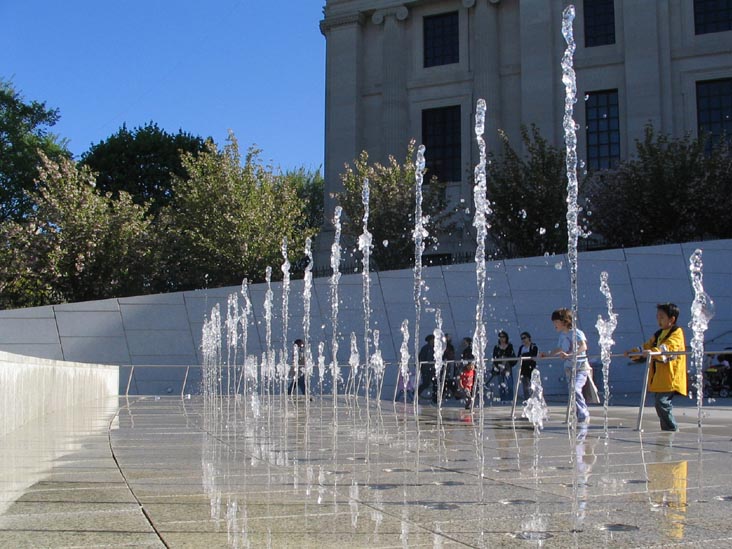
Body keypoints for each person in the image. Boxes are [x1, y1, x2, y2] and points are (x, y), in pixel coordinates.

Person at [625, 303, 687, 432]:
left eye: (662, 317)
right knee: (660, 404)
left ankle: (672, 428)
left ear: (672, 319)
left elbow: (669, 347)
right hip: (660, 377)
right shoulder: (659, 333)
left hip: (671, 376)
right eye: (657, 317)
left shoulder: (677, 332)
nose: (659, 320)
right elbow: (647, 346)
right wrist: (633, 352)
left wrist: (654, 351)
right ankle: (667, 428)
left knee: (662, 403)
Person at [542, 308, 592, 425]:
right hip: (569, 368)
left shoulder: (576, 332)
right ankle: (578, 413)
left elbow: (584, 346)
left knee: (575, 389)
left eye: (556, 321)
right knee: (572, 391)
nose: (554, 324)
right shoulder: (562, 336)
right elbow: (560, 349)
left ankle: (584, 414)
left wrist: (570, 355)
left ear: (564, 321)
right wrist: (548, 354)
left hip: (580, 367)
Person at [488, 330, 516, 402]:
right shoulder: (496, 347)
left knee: (509, 383)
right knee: (501, 383)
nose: (502, 338)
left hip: (507, 366)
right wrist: (496, 365)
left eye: (503, 337)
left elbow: (511, 355)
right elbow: (494, 357)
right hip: (499, 366)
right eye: (500, 337)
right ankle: (503, 398)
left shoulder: (509, 346)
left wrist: (505, 358)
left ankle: (510, 398)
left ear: (506, 338)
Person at [517, 331, 539, 401]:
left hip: (531, 368)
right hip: (523, 369)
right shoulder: (521, 348)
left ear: (529, 338)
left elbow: (533, 355)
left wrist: (524, 356)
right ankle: (527, 399)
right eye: (522, 338)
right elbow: (519, 356)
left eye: (524, 338)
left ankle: (534, 399)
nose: (523, 339)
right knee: (525, 386)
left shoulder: (533, 346)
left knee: (532, 385)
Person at [417, 334, 435, 399]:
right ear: (430, 340)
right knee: (426, 383)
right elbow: (421, 358)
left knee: (434, 382)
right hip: (426, 369)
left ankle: (435, 397)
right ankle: (416, 394)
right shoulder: (426, 348)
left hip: (432, 369)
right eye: (433, 339)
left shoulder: (434, 348)